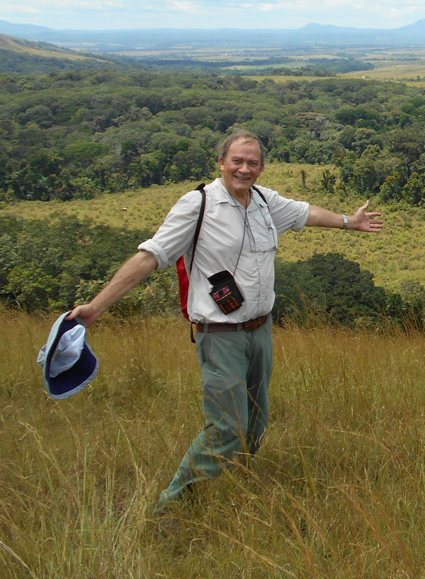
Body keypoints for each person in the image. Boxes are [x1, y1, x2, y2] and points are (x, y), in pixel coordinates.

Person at [69, 130, 383, 515]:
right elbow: (150, 256)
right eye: (237, 160)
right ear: (221, 162)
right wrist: (97, 307)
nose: (244, 168)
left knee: (256, 422)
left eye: (253, 162)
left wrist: (349, 221)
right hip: (220, 335)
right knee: (226, 428)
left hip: (260, 330)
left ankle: (235, 490)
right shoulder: (197, 205)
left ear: (262, 167)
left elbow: (306, 213)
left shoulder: (266, 202)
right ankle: (170, 511)